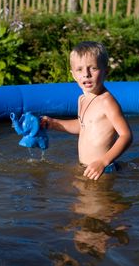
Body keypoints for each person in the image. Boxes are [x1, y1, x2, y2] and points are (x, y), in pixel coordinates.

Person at [41, 41, 132, 180]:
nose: (86, 74)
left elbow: (126, 135)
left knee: (98, 201)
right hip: (87, 168)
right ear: (73, 75)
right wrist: (53, 123)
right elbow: (83, 126)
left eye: (93, 68)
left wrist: (103, 161)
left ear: (106, 71)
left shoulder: (106, 101)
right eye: (80, 70)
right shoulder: (82, 99)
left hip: (103, 171)